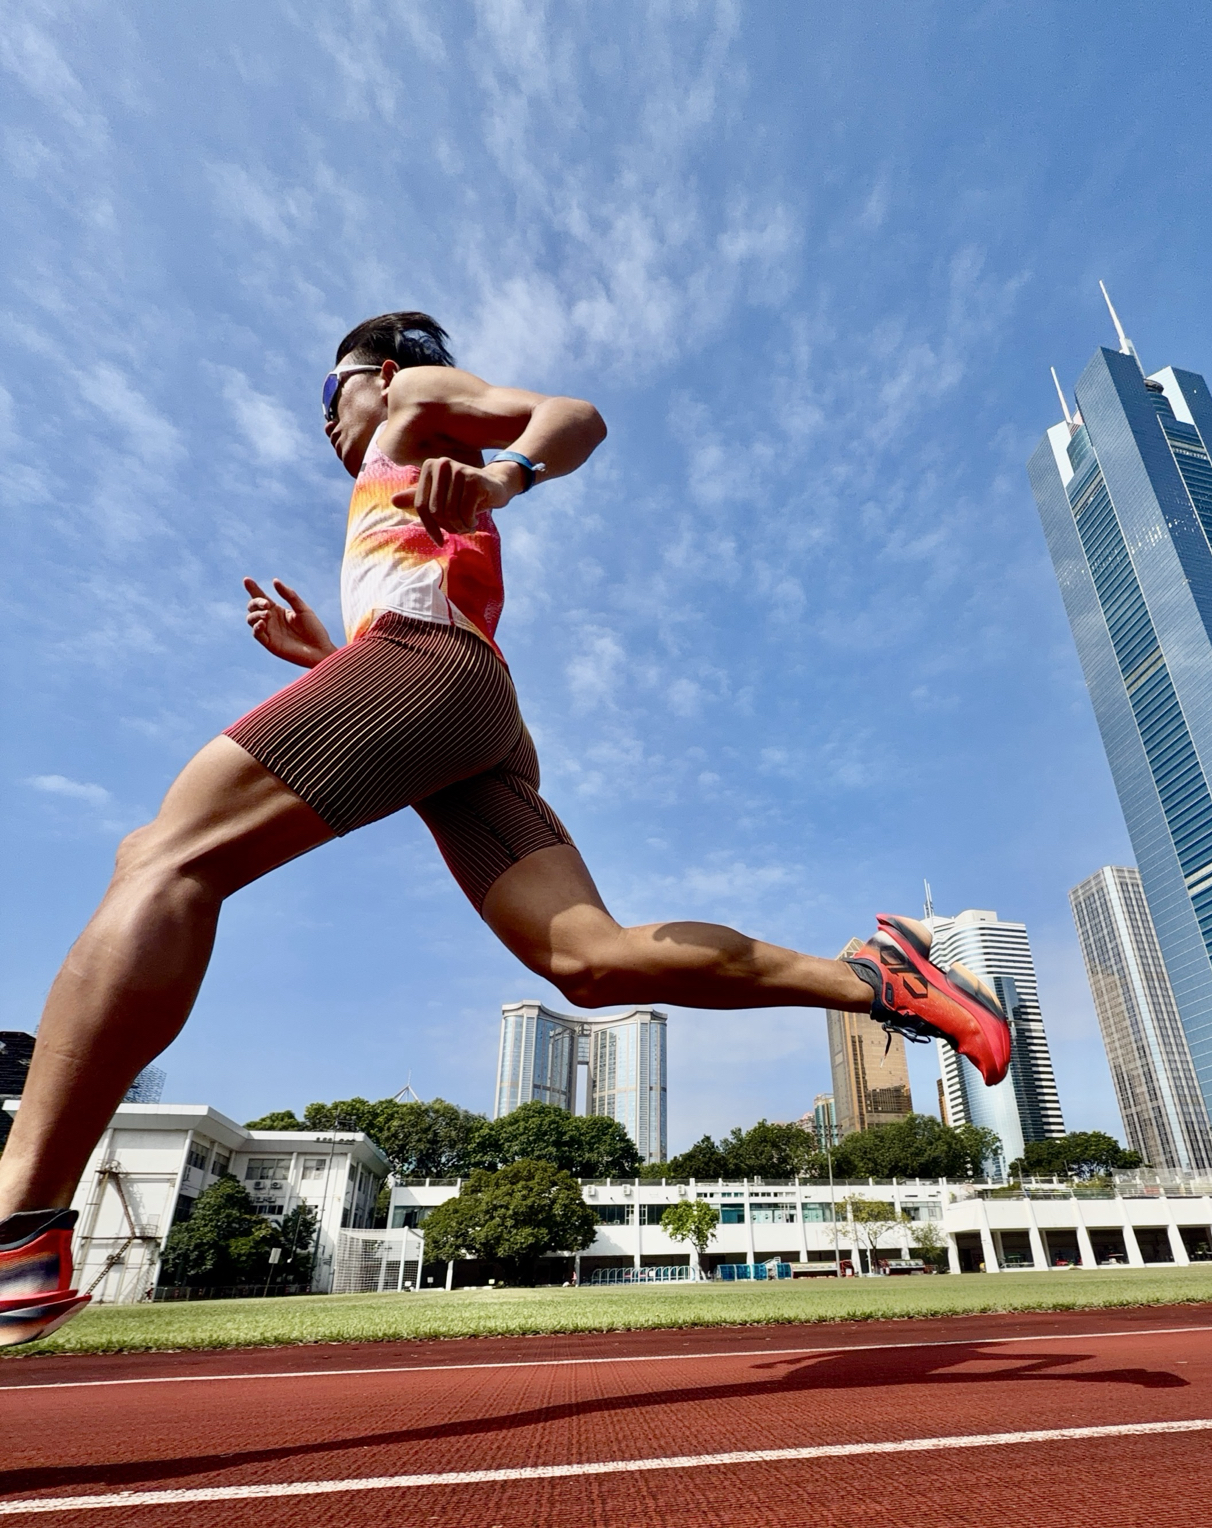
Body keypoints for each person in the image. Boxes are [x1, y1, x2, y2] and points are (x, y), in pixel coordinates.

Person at [0, 311, 1011, 1344]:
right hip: (464, 709)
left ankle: (18, 1225)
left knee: (163, 858)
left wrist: (504, 476)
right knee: (591, 959)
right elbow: (421, 608)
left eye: (329, 395)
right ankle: (874, 979)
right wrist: (324, 658)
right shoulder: (401, 462)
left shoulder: (412, 398)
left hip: (429, 667)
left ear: (378, 373)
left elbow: (576, 415)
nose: (326, 422)